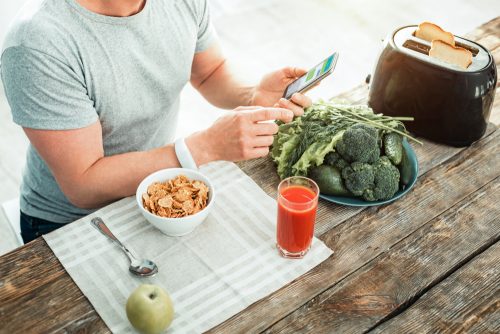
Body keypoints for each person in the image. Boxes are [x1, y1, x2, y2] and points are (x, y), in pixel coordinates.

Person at [0, 0, 312, 244]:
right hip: (70, 223)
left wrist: (254, 94)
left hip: (158, 189)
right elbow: (83, 184)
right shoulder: (36, 44)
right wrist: (204, 147)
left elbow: (210, 71)